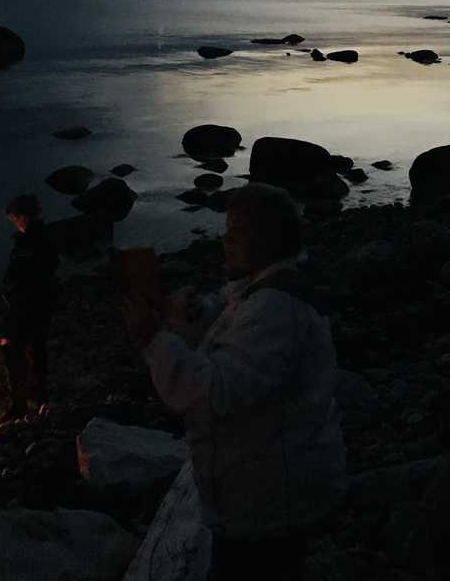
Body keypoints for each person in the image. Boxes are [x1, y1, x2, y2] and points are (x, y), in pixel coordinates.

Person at [124, 183, 346, 581]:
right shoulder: (267, 289)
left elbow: (214, 393)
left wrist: (151, 339)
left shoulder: (278, 308)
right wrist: (198, 318)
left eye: (237, 233)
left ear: (269, 240)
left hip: (269, 503)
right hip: (265, 490)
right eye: (226, 230)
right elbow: (237, 327)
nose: (224, 240)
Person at [0, 194, 58, 420]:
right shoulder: (47, 235)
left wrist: (5, 287)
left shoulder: (27, 241)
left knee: (10, 345)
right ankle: (38, 396)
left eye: (14, 219)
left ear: (22, 216)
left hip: (26, 304)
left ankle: (18, 402)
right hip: (45, 301)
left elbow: (18, 274)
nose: (15, 223)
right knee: (37, 347)